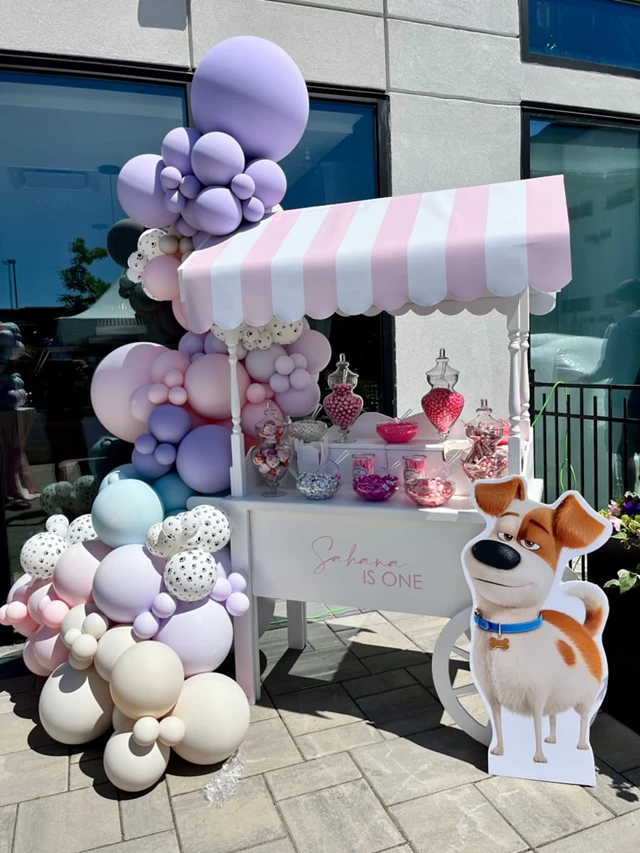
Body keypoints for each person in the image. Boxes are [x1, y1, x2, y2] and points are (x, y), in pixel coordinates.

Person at [583, 278, 640, 492]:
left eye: (620, 303)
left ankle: (629, 500)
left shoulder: (621, 328)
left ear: (628, 301)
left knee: (625, 450)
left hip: (624, 401)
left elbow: (607, 368)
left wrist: (584, 379)